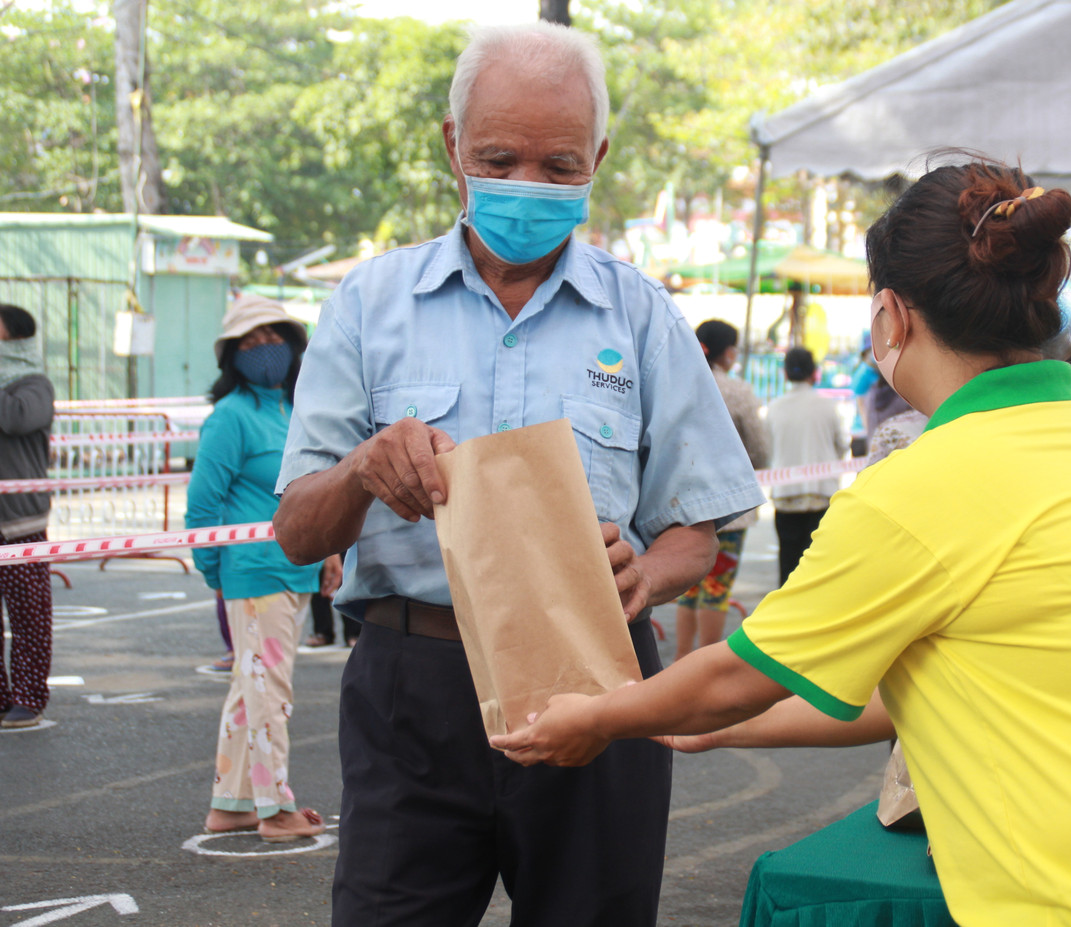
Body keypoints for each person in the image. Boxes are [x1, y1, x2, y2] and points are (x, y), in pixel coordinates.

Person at [492, 156, 1071, 927]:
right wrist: (699, 725)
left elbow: (737, 674)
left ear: (890, 314)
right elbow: (914, 691)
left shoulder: (924, 484)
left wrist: (601, 715)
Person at [272, 23, 763, 927]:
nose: (527, 187)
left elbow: (702, 524)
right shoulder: (368, 304)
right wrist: (362, 472)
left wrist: (647, 574)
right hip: (411, 687)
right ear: (452, 145)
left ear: (599, 158)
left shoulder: (643, 315)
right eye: (499, 158)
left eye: (559, 165)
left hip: (600, 680)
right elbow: (298, 529)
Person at [187, 294, 331, 842]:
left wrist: (328, 554)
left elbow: (311, 493)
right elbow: (203, 506)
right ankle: (275, 809)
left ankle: (232, 804)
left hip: (291, 571)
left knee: (251, 691)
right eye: (249, 341)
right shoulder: (229, 418)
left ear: (294, 346)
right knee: (270, 692)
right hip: (253, 574)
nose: (263, 349)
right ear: (230, 357)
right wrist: (216, 574)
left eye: (272, 337)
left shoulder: (294, 410)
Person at [673, 320, 769, 659]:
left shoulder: (676, 384)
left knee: (687, 588)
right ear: (727, 351)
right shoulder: (738, 391)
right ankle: (703, 666)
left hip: (680, 507)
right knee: (716, 588)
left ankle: (679, 662)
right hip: (729, 509)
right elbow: (759, 449)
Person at [0, 305, 54, 730]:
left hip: (19, 522)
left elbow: (16, 419)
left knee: (29, 614)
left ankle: (29, 696)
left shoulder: (34, 384)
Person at [766, 346, 848, 586]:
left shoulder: (774, 407)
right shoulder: (827, 406)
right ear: (814, 372)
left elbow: (767, 447)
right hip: (821, 495)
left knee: (788, 566)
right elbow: (842, 445)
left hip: (785, 496)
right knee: (816, 570)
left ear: (786, 373)